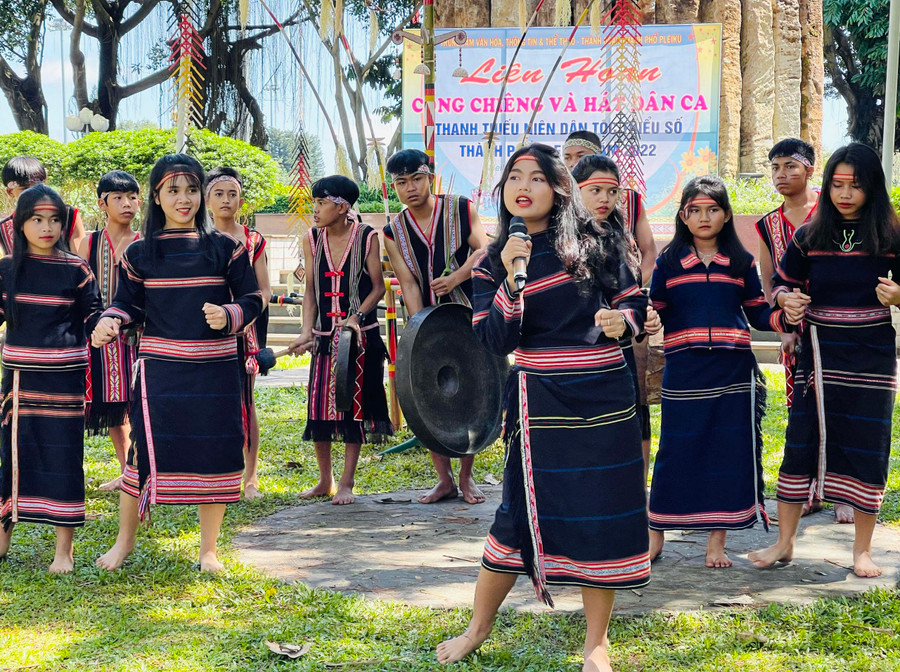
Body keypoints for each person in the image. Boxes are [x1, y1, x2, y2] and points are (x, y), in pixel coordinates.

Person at [436, 144, 649, 672]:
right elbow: (494, 339)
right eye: (514, 176)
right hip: (538, 400)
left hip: (604, 394)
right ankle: (476, 628)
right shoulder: (491, 260)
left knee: (602, 514)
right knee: (517, 515)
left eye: (537, 176)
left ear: (559, 189)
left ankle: (596, 643)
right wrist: (513, 279)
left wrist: (626, 322)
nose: (522, 185)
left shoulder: (598, 242)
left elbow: (632, 299)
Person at [91, 154, 262, 572]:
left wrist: (230, 315)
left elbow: (253, 299)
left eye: (190, 190)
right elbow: (125, 304)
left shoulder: (226, 248)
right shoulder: (139, 253)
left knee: (216, 452)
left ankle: (209, 552)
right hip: (160, 372)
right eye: (173, 190)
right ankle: (123, 544)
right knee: (142, 452)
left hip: (217, 370)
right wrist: (109, 321)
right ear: (157, 196)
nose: (183, 199)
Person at [750, 143, 900, 579]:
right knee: (801, 442)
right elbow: (780, 281)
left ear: (872, 186)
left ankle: (862, 550)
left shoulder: (890, 234)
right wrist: (788, 300)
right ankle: (784, 542)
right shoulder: (809, 234)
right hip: (819, 353)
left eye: (855, 185)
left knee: (867, 446)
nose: (845, 193)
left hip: (871, 358)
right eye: (837, 184)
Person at [644, 176, 796, 568]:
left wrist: (784, 317)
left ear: (726, 215)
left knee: (725, 453)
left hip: (733, 372)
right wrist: (646, 318)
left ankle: (716, 543)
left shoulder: (741, 262)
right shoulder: (669, 260)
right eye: (695, 210)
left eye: (713, 209)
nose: (704, 217)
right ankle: (654, 536)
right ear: (683, 215)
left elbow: (758, 311)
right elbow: (655, 306)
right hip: (685, 369)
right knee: (675, 452)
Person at [0, 185, 103, 572]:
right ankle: (4, 535)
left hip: (65, 378)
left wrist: (104, 326)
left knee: (63, 457)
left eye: (55, 219)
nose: (47, 227)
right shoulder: (7, 269)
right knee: (11, 455)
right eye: (37, 219)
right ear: (20, 223)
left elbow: (93, 312)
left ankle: (65, 550)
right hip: (20, 379)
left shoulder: (76, 268)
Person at [755, 138, 854, 523]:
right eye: (776, 167)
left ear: (811, 169)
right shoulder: (768, 224)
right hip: (797, 330)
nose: (782, 175)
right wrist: (783, 328)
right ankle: (809, 489)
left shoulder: (835, 213)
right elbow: (768, 281)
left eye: (790, 166)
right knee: (803, 410)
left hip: (843, 325)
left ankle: (844, 492)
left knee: (843, 404)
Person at [383, 149, 489, 505]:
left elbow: (483, 250)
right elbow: (408, 281)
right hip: (426, 320)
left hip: (467, 314)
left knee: (470, 394)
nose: (410, 188)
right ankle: (443, 479)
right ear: (394, 187)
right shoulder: (392, 230)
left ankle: (467, 477)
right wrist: (420, 328)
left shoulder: (461, 208)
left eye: (416, 179)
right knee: (428, 396)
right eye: (401, 182)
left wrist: (458, 276)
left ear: (430, 178)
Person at [288, 176, 392, 505]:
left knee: (352, 409)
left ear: (342, 207)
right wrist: (306, 331)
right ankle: (324, 480)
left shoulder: (367, 237)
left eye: (321, 203)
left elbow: (378, 286)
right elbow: (310, 292)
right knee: (319, 408)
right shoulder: (311, 238)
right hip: (323, 337)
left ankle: (347, 482)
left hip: (359, 339)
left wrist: (356, 317)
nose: (315, 209)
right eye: (315, 202)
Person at [573, 154, 657, 483]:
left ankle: (629, 489)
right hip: (570, 349)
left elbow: (631, 291)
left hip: (613, 344)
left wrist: (633, 313)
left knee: (625, 414)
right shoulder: (554, 234)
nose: (604, 199)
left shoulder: (614, 235)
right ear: (574, 190)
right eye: (595, 190)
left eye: (611, 191)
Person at [206, 166, 272, 500]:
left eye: (232, 194)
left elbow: (264, 291)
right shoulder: (199, 241)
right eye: (219, 194)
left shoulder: (253, 240)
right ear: (207, 200)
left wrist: (240, 315)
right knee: (210, 402)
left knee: (245, 400)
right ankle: (214, 476)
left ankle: (250, 477)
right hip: (205, 333)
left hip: (244, 333)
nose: (226, 200)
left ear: (241, 199)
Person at [76, 170, 142, 492]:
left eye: (132, 197)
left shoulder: (144, 244)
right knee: (114, 408)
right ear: (102, 202)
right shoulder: (86, 242)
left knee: (139, 405)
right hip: (97, 339)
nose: (127, 204)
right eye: (118, 198)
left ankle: (143, 470)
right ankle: (126, 471)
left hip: (138, 338)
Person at [1, 156, 86, 255]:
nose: (34, 193)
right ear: (10, 192)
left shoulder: (68, 216)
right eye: (25, 189)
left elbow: (81, 261)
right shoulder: (3, 229)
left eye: (37, 187)